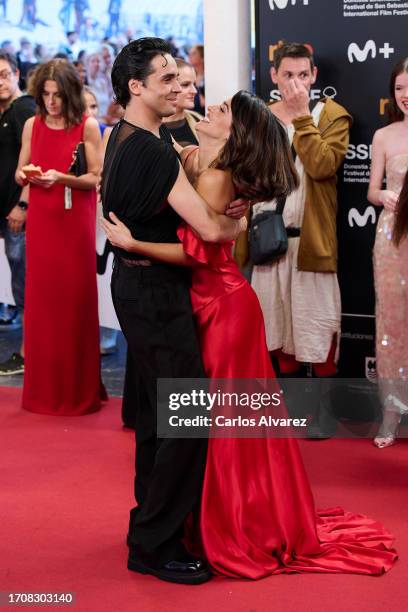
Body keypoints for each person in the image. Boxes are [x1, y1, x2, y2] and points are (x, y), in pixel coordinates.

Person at [103, 89, 397, 579]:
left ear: (234, 132)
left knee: (214, 421)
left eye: (222, 111)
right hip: (216, 302)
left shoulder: (218, 175)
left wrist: (134, 243)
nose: (210, 110)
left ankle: (228, 519)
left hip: (218, 304)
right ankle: (212, 515)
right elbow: (171, 155)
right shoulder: (202, 157)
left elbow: (200, 252)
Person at [101, 37, 247, 585]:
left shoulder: (130, 135)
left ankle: (153, 527)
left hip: (140, 289)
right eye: (166, 80)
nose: (180, 89)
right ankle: (154, 545)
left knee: (159, 419)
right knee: (185, 419)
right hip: (155, 292)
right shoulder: (150, 147)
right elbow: (209, 232)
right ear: (135, 88)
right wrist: (238, 219)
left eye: (179, 78)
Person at [245, 42, 352, 438]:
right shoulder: (259, 117)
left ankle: (324, 410)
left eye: (303, 75)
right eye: (287, 75)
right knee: (277, 326)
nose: (295, 83)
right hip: (267, 238)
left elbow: (324, 165)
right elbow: (247, 173)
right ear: (273, 75)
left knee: (317, 325)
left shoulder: (332, 115)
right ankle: (294, 407)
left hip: (312, 242)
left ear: (314, 76)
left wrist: (304, 118)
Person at [16, 59, 103, 415]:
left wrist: (62, 179)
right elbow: (21, 171)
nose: (51, 102)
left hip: (73, 223)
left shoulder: (88, 125)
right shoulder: (31, 124)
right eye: (45, 94)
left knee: (73, 302)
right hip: (42, 220)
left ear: (70, 93)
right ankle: (43, 391)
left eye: (57, 95)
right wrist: (27, 177)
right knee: (43, 306)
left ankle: (77, 390)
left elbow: (95, 177)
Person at [368, 57, 408, 448]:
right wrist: (383, 195)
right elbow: (371, 191)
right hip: (392, 238)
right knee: (391, 326)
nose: (405, 95)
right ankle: (391, 414)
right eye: (399, 88)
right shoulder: (383, 135)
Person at [0, 51, 35, 375]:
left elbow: (34, 160)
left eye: (4, 74)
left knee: (25, 286)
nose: (0, 81)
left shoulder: (24, 109)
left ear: (16, 75)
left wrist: (22, 205)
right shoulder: (7, 111)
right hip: (7, 213)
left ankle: (28, 353)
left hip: (17, 214)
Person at [163, 58, 203, 147]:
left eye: (194, 84)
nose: (194, 91)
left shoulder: (199, 120)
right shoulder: (148, 128)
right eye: (185, 85)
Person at [188, 44, 205, 114]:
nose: (190, 56)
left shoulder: (209, 77)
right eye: (190, 53)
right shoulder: (189, 76)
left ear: (202, 57)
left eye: (194, 53)